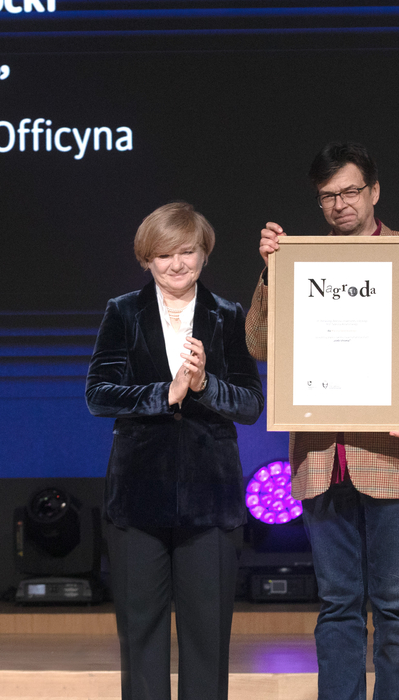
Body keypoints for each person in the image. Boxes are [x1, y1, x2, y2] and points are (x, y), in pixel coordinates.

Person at [244, 142, 399, 700]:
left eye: (349, 191)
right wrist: (272, 274)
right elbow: (259, 345)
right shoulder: (298, 261)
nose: (340, 204)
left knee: (392, 606)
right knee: (337, 605)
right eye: (327, 196)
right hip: (322, 463)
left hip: (393, 459)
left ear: (374, 191)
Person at [86, 201, 264, 700]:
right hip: (138, 496)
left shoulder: (228, 315)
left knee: (207, 638)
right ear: (147, 259)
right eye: (164, 255)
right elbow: (98, 395)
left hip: (210, 499)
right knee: (141, 636)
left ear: (204, 253)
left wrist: (205, 385)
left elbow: (251, 404)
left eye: (187, 251)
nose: (177, 264)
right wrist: (165, 393)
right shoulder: (123, 311)